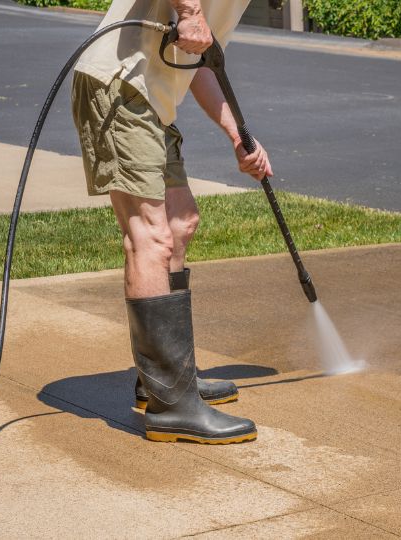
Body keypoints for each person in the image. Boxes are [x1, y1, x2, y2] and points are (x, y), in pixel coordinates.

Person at [71, 0, 270, 444]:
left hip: (151, 100)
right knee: (151, 238)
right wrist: (189, 11)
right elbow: (191, 32)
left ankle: (168, 378)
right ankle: (171, 407)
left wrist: (239, 135)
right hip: (120, 85)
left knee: (181, 224)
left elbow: (197, 64)